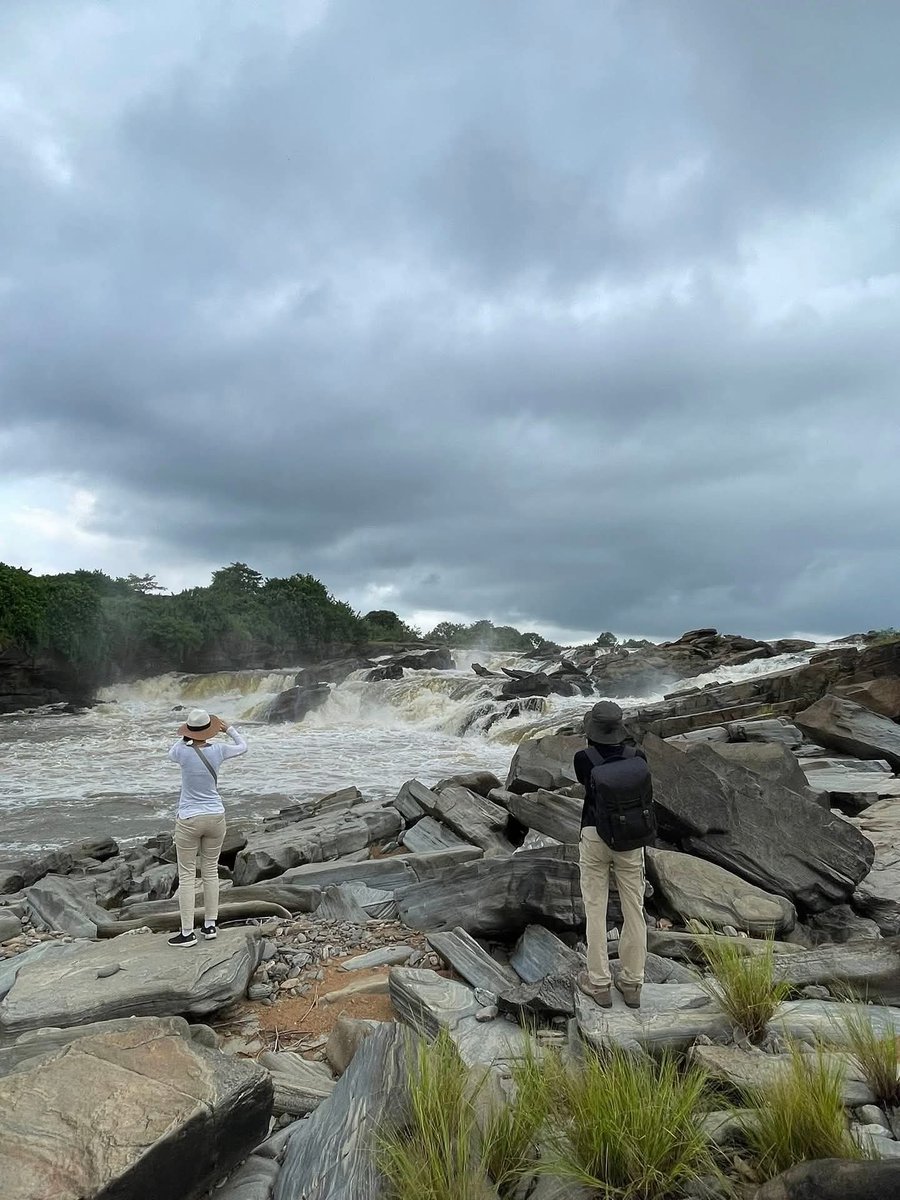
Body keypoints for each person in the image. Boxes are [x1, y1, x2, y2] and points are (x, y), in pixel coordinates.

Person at [574, 700, 652, 1009]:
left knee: (596, 908)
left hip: (594, 835)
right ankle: (632, 983)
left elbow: (587, 786)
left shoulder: (584, 758)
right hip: (631, 838)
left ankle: (599, 982)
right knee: (634, 907)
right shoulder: (638, 756)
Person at [167, 707, 247, 947]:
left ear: (189, 730)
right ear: (211, 731)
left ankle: (187, 932)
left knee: (188, 875)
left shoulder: (182, 751)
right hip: (215, 816)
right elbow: (243, 746)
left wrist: (187, 735)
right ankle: (210, 925)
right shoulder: (219, 750)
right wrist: (228, 728)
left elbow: (171, 751)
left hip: (189, 819)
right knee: (211, 871)